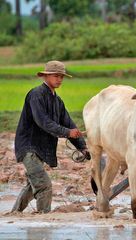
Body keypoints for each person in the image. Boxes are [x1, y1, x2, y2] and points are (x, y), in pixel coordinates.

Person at [11, 60, 91, 214]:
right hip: (29, 146)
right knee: (44, 185)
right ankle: (44, 218)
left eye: (61, 76)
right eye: (56, 76)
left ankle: (14, 213)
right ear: (46, 76)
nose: (59, 79)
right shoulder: (36, 95)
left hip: (40, 148)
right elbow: (43, 122)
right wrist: (67, 132)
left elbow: (69, 123)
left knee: (32, 185)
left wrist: (82, 147)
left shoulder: (57, 101)